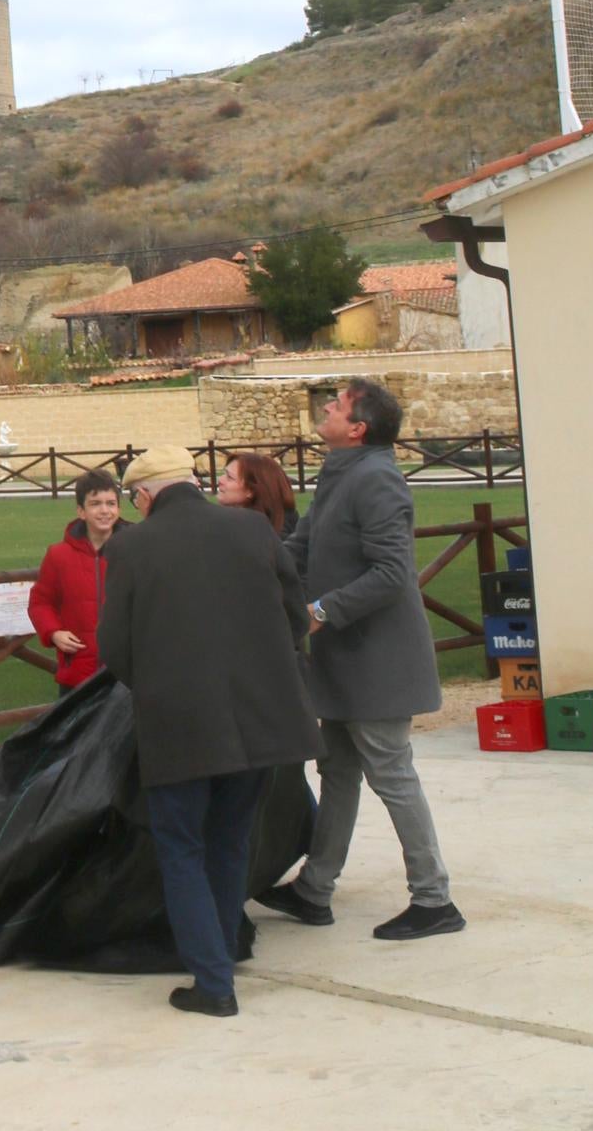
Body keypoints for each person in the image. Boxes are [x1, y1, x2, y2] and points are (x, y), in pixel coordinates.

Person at [97, 445, 317, 1017]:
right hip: (259, 718)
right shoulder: (252, 529)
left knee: (182, 849)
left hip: (180, 722)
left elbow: (115, 646)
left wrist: (156, 685)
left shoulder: (131, 545)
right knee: (229, 841)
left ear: (144, 496)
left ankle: (213, 981)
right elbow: (295, 616)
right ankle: (220, 954)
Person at [260, 377, 464, 941]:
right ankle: (314, 890)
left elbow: (393, 573)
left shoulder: (376, 479)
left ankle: (434, 899)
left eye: (339, 404)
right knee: (339, 772)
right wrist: (245, 560)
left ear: (357, 428)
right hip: (346, 662)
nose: (326, 406)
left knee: (391, 775)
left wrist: (322, 609)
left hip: (379, 664)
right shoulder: (340, 473)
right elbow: (302, 548)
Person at [27, 468, 123, 687]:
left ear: (118, 508)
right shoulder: (59, 555)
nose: (104, 510)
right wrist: (53, 632)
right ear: (81, 511)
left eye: (111, 503)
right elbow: (40, 602)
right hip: (78, 673)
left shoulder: (134, 552)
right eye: (95, 504)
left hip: (125, 675)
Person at [217, 451, 297, 537]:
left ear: (251, 490)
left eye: (229, 477)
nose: (220, 480)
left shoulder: (273, 536)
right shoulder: (232, 522)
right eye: (224, 473)